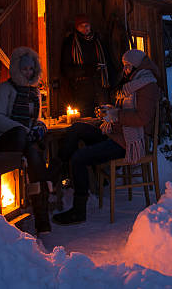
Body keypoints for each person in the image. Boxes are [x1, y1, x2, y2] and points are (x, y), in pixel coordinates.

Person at [52, 48, 160, 225]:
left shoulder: (147, 85)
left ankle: (79, 210)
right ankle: (56, 167)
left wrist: (116, 115)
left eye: (127, 66)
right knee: (78, 128)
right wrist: (109, 112)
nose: (124, 70)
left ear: (137, 66)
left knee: (80, 157)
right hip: (117, 133)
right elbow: (125, 111)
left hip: (128, 141)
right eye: (124, 66)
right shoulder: (133, 83)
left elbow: (142, 118)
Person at [0, 46, 51, 235]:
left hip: (25, 143)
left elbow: (37, 119)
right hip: (5, 140)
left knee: (33, 153)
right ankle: (47, 184)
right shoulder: (4, 89)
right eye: (24, 69)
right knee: (30, 148)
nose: (28, 72)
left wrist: (39, 127)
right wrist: (23, 130)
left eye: (31, 69)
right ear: (16, 69)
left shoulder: (35, 92)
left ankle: (42, 220)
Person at [60, 14, 114, 117]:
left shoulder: (98, 41)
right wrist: (87, 69)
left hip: (100, 85)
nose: (85, 28)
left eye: (87, 25)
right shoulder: (71, 43)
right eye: (82, 26)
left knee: (104, 116)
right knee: (85, 118)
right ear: (77, 28)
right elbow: (67, 69)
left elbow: (108, 61)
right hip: (81, 89)